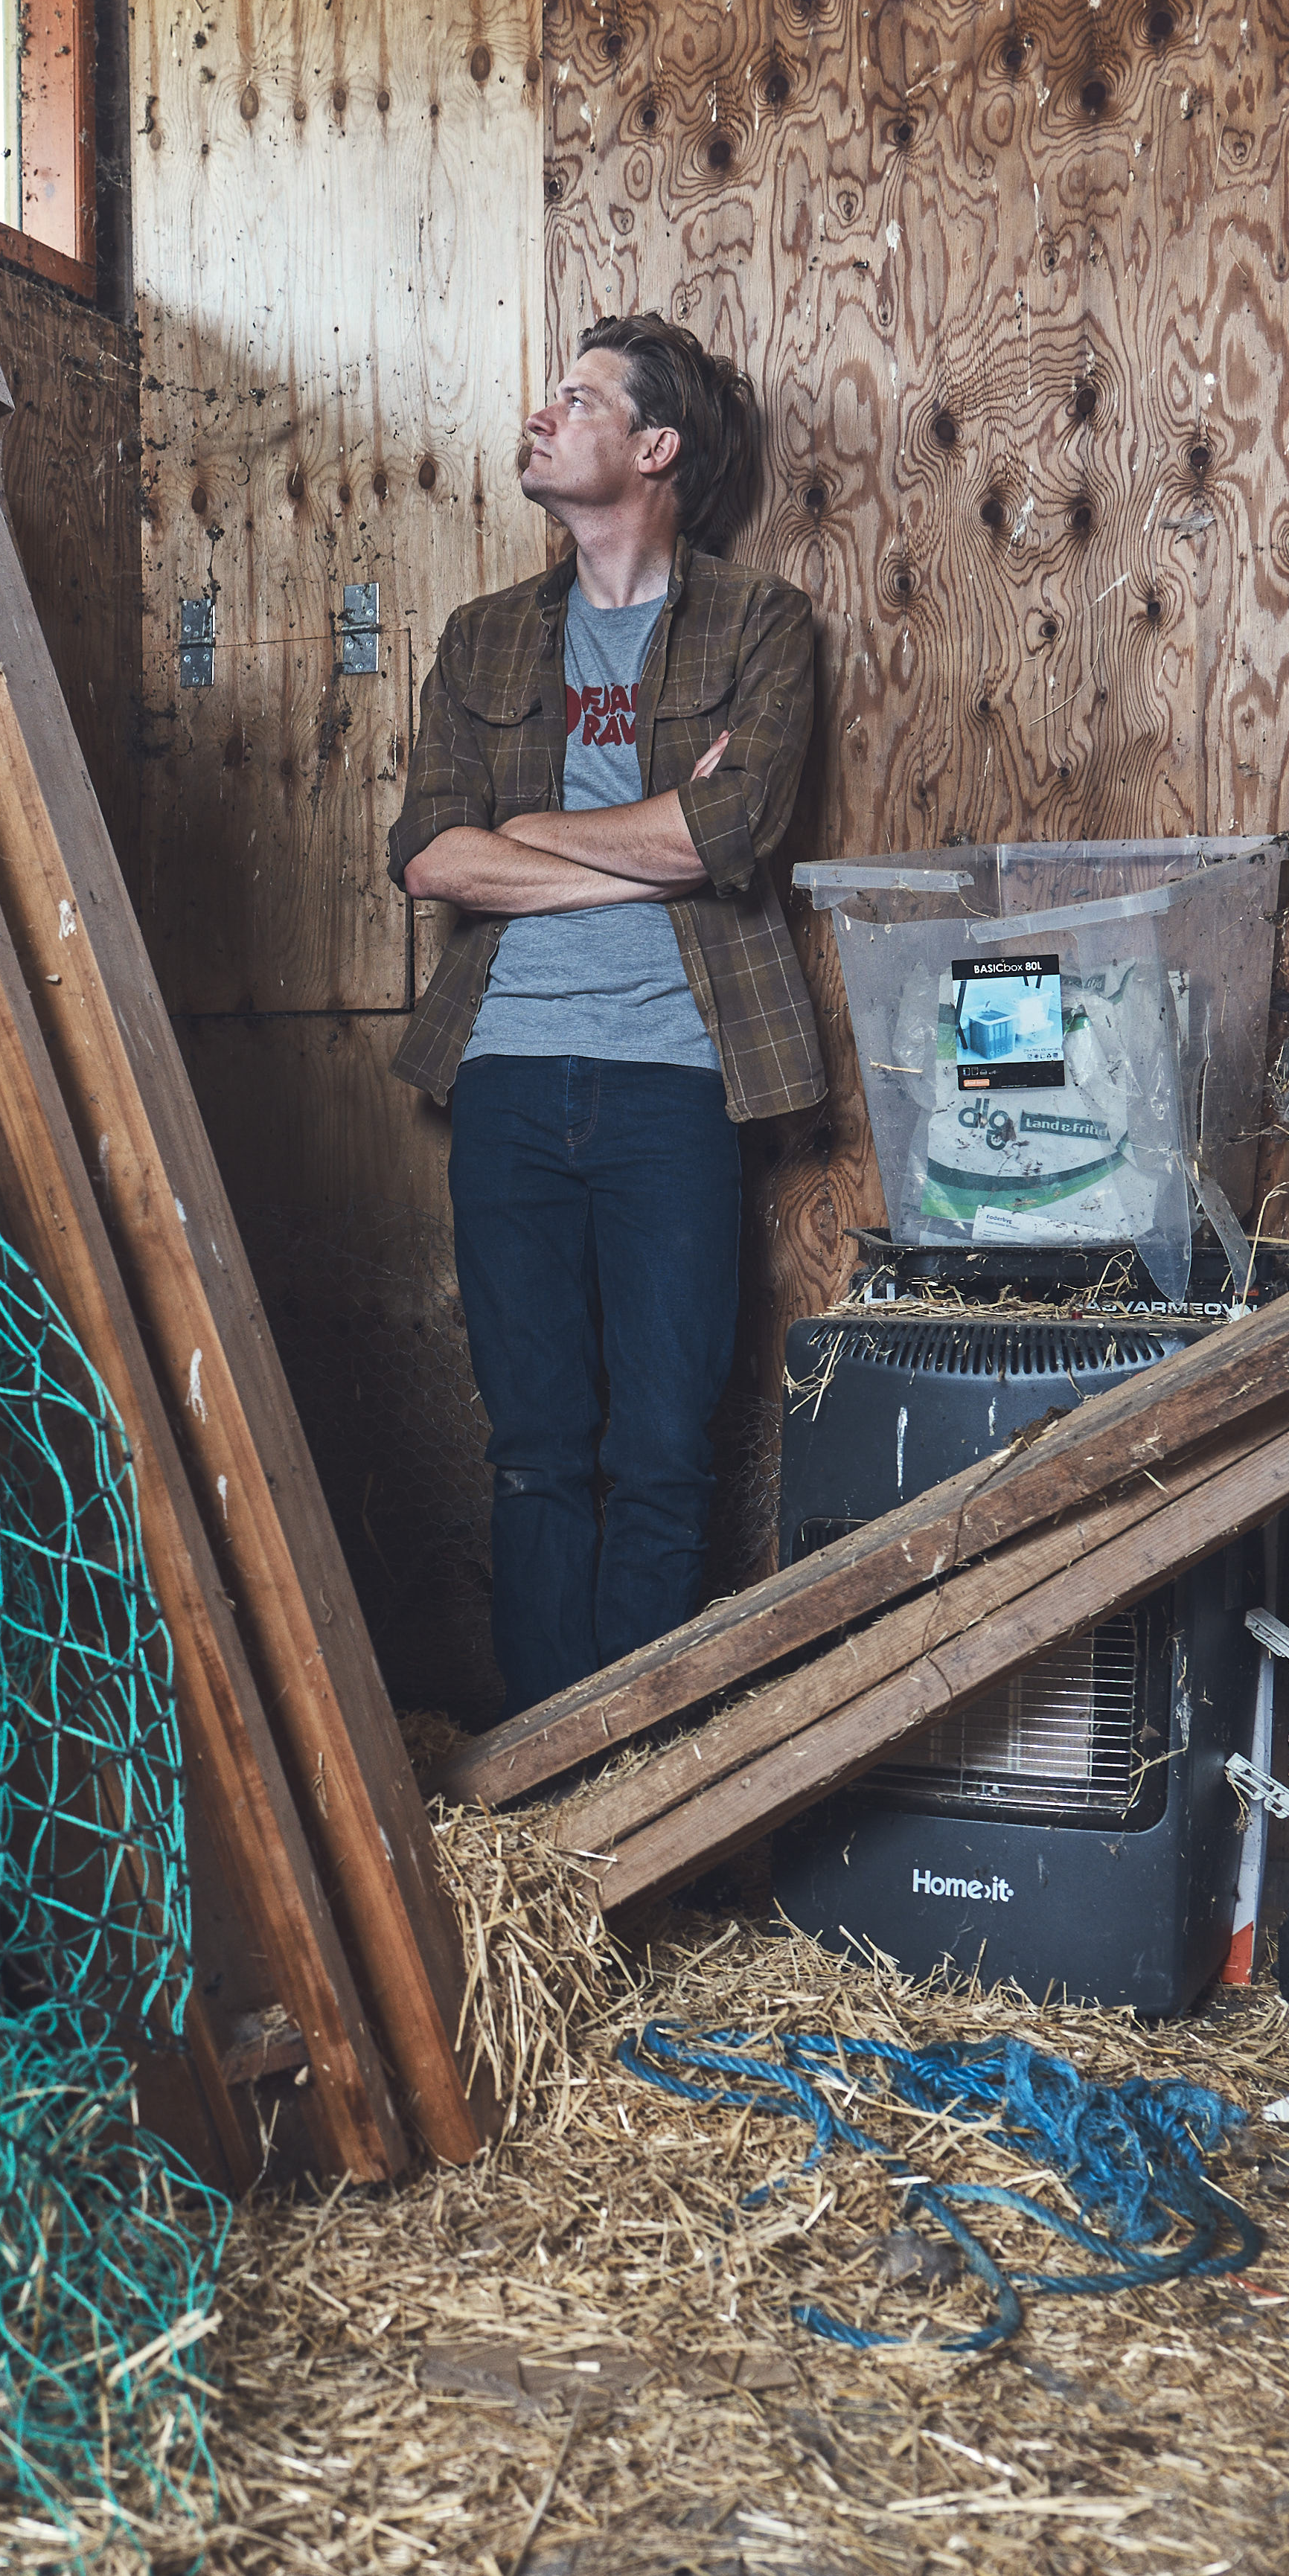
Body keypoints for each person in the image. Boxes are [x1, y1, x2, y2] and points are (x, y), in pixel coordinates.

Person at [386, 313, 824, 1717]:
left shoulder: (760, 625)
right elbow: (431, 858)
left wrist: (540, 835)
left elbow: (728, 833)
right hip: (507, 1076)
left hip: (674, 1084)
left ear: (654, 448)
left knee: (662, 1458)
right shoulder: (484, 639)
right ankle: (541, 1791)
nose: (542, 416)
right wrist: (638, 841)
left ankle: (639, 1780)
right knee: (534, 1450)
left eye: (576, 400)